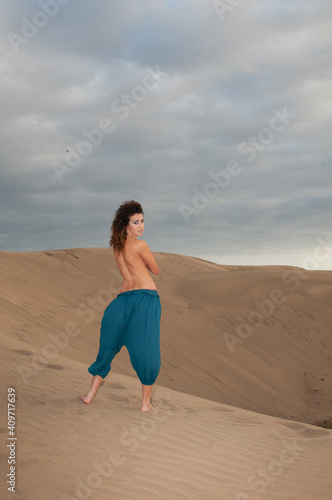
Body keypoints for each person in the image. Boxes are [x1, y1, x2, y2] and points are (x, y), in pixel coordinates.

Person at [80, 200, 161, 411]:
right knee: (147, 349)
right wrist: (143, 262)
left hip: (122, 301)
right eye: (136, 222)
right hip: (145, 299)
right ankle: (145, 404)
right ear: (126, 224)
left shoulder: (116, 247)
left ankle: (90, 394)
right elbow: (155, 269)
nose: (141, 226)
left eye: (142, 221)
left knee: (107, 348)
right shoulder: (141, 245)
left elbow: (126, 273)